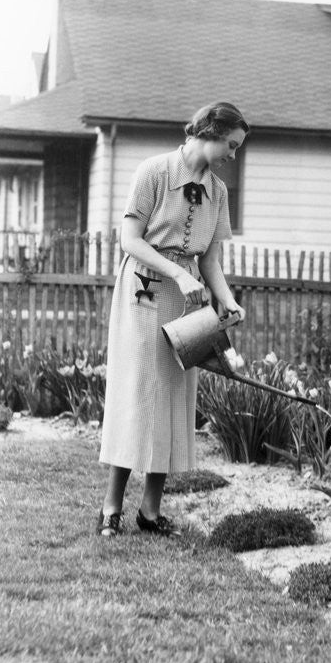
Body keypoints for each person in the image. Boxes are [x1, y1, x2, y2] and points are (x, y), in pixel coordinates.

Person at [96, 102, 249, 536]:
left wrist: (227, 300)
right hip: (144, 292)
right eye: (231, 146)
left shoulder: (217, 191)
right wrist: (179, 272)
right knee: (140, 395)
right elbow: (129, 240)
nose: (232, 156)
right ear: (210, 131)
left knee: (173, 398)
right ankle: (111, 509)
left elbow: (212, 260)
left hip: (188, 301)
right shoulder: (154, 172)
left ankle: (149, 511)